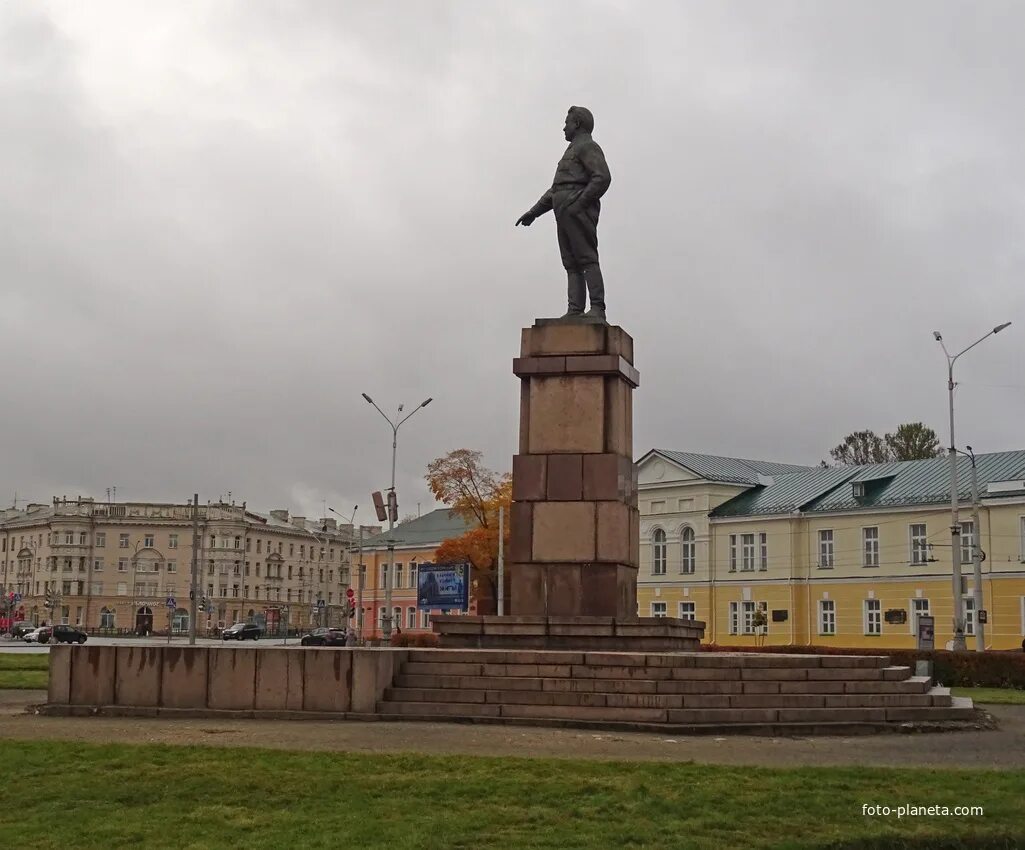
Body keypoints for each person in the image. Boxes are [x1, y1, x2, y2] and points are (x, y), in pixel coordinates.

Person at [516, 106, 612, 320]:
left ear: (577, 124)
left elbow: (602, 178)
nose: (563, 128)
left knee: (586, 258)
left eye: (567, 123)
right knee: (571, 263)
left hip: (576, 210)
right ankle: (575, 310)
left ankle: (597, 308)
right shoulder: (571, 151)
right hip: (563, 212)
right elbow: (556, 189)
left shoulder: (588, 146)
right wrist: (534, 212)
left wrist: (579, 203)